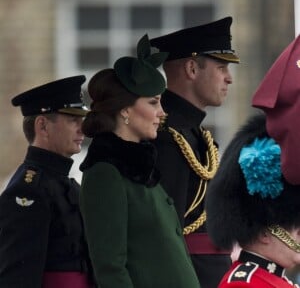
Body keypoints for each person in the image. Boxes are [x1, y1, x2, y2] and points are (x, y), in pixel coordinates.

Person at [79, 34, 201, 288]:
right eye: (153, 102)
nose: (162, 113)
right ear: (125, 110)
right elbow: (111, 268)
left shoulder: (141, 167)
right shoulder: (105, 173)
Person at [149, 16, 240, 287]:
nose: (229, 78)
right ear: (191, 68)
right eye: (221, 67)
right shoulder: (166, 138)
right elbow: (166, 234)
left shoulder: (196, 136)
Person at [205, 35, 300, 287]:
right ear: (265, 232)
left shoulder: (271, 280)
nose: (299, 231)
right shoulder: (244, 283)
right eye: (293, 224)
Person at [0, 76, 95, 288]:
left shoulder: (63, 184)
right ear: (42, 126)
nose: (82, 129)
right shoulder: (28, 191)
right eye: (73, 120)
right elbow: (17, 277)